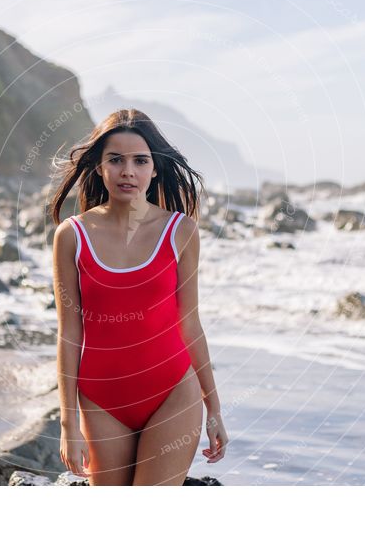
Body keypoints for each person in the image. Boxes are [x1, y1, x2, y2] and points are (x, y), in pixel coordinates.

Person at [49, 108, 227, 486]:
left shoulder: (181, 232)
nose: (127, 170)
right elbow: (69, 335)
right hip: (101, 401)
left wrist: (213, 407)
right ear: (99, 167)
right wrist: (68, 425)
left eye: (139, 161)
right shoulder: (71, 236)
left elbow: (190, 323)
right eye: (115, 160)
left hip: (173, 393)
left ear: (154, 168)